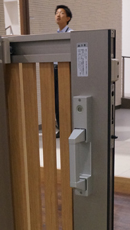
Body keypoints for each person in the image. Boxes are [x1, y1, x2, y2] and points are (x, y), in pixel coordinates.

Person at [55, 5, 72, 138]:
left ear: (68, 18)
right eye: (56, 13)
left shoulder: (71, 33)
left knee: (66, 98)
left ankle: (69, 127)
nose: (58, 15)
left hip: (66, 69)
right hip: (55, 70)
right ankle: (61, 128)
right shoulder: (55, 35)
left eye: (61, 13)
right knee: (56, 100)